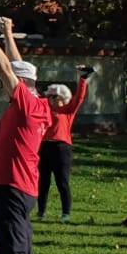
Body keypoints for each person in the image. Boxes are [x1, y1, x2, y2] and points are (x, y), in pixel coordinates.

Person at [0, 14, 51, 254]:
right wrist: (8, 32)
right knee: (22, 251)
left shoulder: (26, 106)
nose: (1, 86)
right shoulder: (36, 103)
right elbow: (16, 68)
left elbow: (8, 72)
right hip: (17, 186)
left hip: (11, 187)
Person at [34, 71, 90, 221]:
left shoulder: (68, 111)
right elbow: (34, 96)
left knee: (62, 182)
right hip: (44, 147)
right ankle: (41, 212)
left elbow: (79, 98)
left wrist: (83, 79)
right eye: (49, 96)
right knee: (43, 181)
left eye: (54, 96)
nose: (50, 99)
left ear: (63, 98)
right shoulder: (44, 109)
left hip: (61, 149)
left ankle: (66, 213)